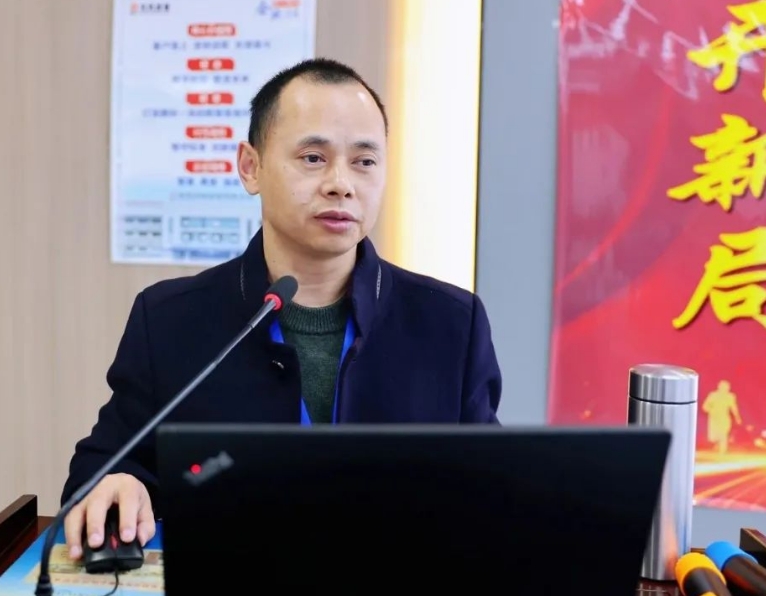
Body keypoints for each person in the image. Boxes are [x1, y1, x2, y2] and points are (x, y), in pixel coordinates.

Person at [61, 58, 502, 561]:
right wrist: (118, 481)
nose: (341, 184)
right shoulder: (169, 319)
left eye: (364, 161)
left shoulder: (451, 323)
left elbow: (492, 484)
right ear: (251, 167)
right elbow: (104, 464)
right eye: (313, 157)